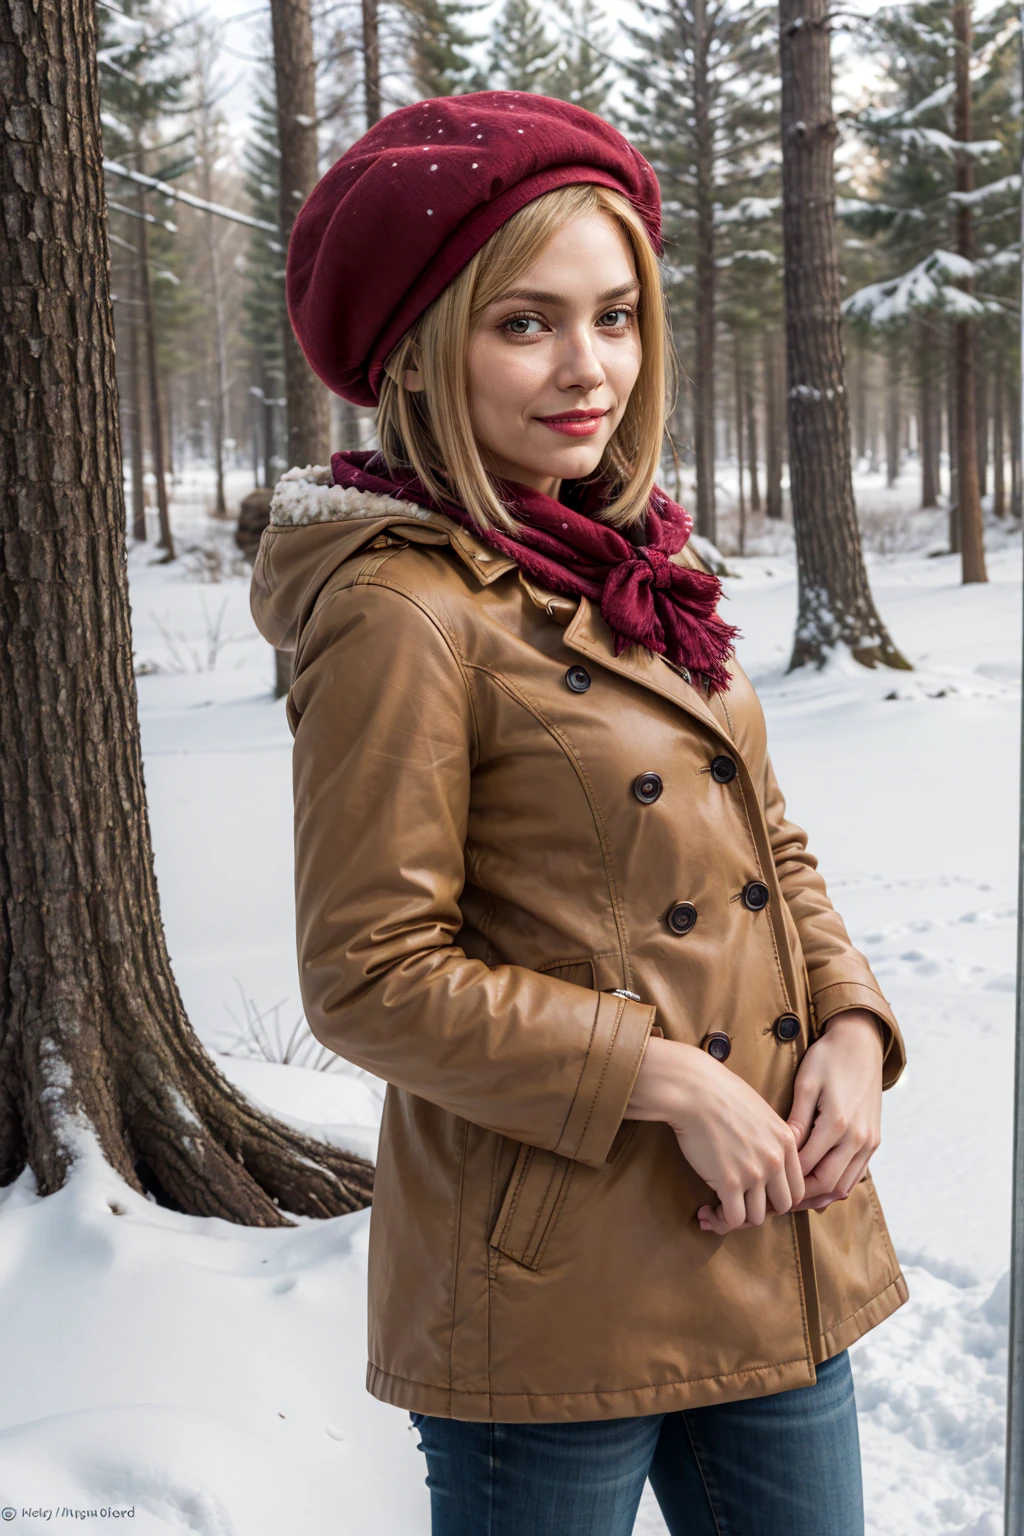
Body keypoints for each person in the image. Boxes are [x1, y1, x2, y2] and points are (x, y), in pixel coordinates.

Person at [251, 92, 908, 1536]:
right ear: (423, 348)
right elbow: (371, 977)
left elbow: (765, 846)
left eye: (615, 316)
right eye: (527, 322)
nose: (589, 366)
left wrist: (855, 1030)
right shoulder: (399, 610)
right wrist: (672, 1082)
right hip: (549, 1290)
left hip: (768, 1224)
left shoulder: (629, 564)